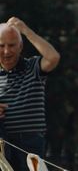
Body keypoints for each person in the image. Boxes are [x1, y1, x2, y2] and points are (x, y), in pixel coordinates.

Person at [0, 17, 60, 171]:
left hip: (30, 141)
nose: (6, 51)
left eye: (12, 45)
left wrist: (26, 31)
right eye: (1, 46)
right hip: (2, 142)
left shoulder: (32, 67)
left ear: (20, 46)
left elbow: (53, 58)